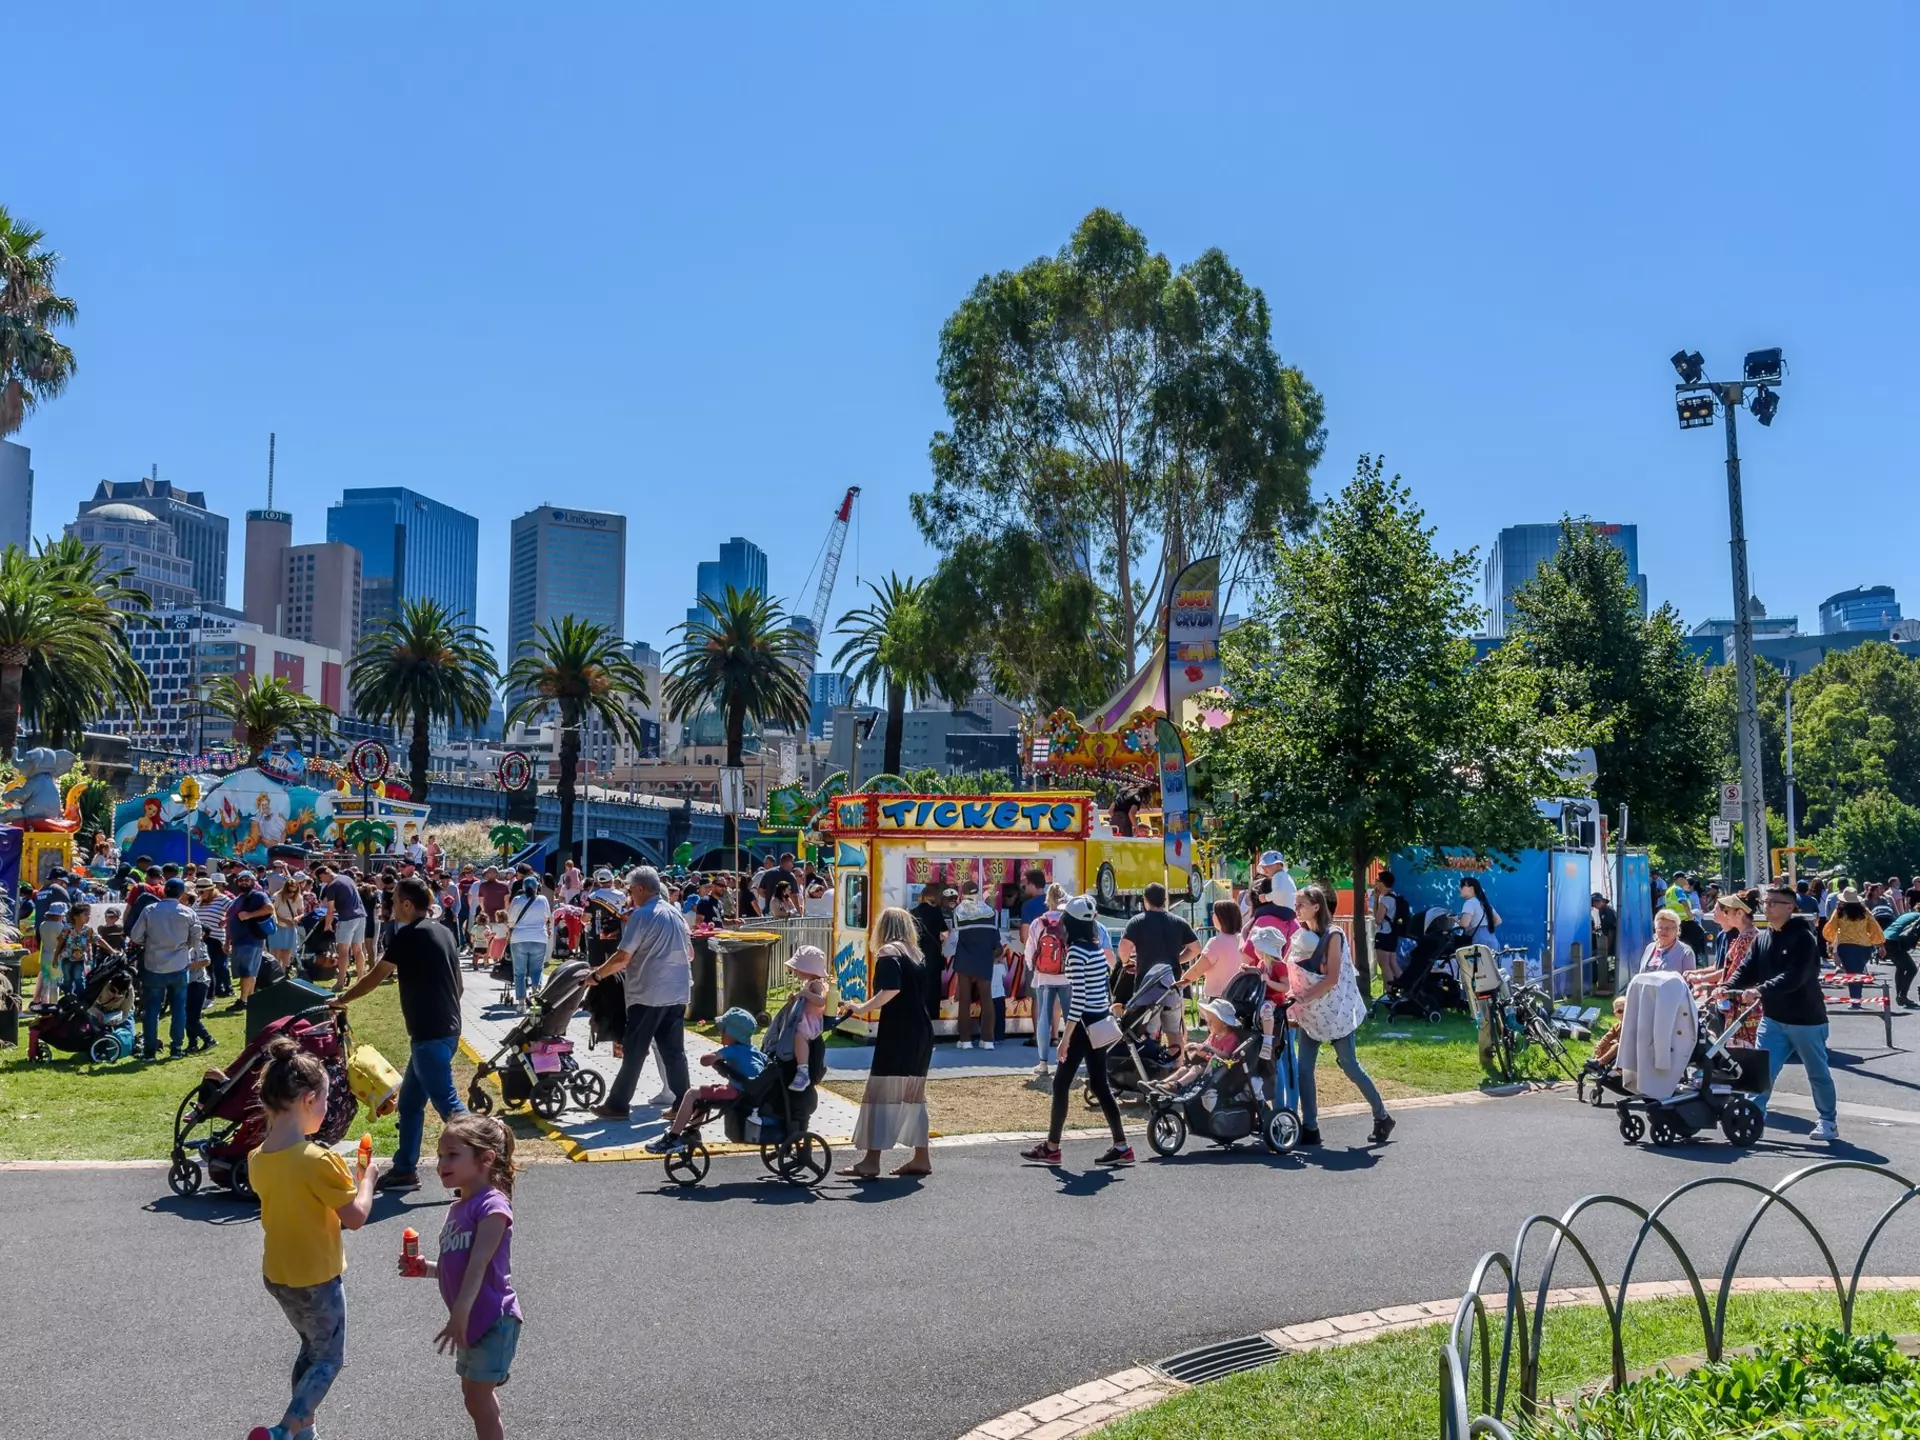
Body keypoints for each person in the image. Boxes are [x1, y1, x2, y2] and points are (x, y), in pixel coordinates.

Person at [244, 1036, 381, 1440]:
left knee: (310, 1348)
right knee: (329, 1359)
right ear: (307, 1099)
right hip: (316, 1279)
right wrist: (367, 1180)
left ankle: (306, 1429)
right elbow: (354, 1218)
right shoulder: (319, 1160)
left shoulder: (257, 1158)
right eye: (324, 1099)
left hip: (279, 1276)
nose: (326, 1108)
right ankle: (284, 1429)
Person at [330, 877, 467, 1191]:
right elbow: (458, 985)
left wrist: (341, 1000)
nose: (389, 907)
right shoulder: (444, 932)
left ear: (407, 904)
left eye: (393, 901)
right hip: (446, 1030)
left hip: (429, 1034)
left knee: (450, 1107)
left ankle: (484, 1165)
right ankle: (405, 1169)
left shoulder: (408, 936)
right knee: (409, 1104)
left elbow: (376, 976)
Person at [395, 1115, 523, 1440]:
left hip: (493, 1319)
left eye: (452, 1154)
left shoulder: (493, 1208)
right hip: (471, 1319)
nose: (441, 1164)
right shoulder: (459, 1208)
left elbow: (479, 1265)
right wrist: (427, 1268)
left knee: (478, 1400)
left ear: (486, 1158)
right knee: (474, 1397)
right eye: (439, 1155)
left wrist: (459, 1314)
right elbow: (460, 1267)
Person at [1021, 894, 1131, 1167]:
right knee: (1099, 1085)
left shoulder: (1075, 954)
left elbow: (1077, 1000)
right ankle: (1122, 1146)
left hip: (1082, 1026)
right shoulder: (1095, 949)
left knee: (1061, 1084)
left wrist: (1065, 1039)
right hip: (1098, 1022)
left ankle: (1052, 1147)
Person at [1722, 884, 1838, 1141]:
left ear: (1790, 907)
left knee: (1817, 1073)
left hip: (1806, 1020)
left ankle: (1828, 1121)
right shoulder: (1762, 937)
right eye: (1766, 902)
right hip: (1773, 1019)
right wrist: (1727, 987)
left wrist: (1760, 990)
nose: (1768, 906)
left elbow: (1796, 976)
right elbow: (1746, 968)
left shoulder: (1803, 938)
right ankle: (1753, 1113)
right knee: (1762, 1071)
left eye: (1774, 902)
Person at [1288, 884, 1394, 1147]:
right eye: (1296, 904)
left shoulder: (1334, 935)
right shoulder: (1303, 935)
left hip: (1336, 1011)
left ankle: (1382, 1116)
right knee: (1304, 1070)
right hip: (1312, 1013)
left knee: (1349, 1065)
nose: (1297, 908)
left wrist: (1302, 997)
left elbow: (1333, 978)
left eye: (1301, 904)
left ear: (1316, 906)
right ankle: (1310, 1126)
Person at [587, 867, 694, 1122]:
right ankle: (685, 1103)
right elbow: (690, 953)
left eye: (630, 889)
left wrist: (597, 975)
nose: (629, 894)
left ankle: (618, 1104)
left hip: (649, 994)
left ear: (641, 889)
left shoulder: (642, 915)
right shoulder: (675, 913)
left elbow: (623, 956)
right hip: (678, 991)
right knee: (674, 1051)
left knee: (635, 1049)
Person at [839, 906, 936, 1179]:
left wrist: (861, 1008)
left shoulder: (888, 953)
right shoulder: (916, 954)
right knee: (914, 1096)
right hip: (922, 1030)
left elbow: (891, 990)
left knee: (880, 1093)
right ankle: (921, 1157)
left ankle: (871, 1161)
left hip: (899, 1031)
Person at [648, 1006, 767, 1153]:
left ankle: (673, 1137)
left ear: (732, 1034)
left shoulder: (733, 1050)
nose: (720, 1032)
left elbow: (705, 1060)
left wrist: (714, 1056)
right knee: (704, 1096)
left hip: (737, 1093)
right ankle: (692, 1132)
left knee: (692, 1093)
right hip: (749, 1094)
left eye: (722, 1029)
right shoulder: (755, 1052)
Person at [129, 876, 203, 1060]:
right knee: (179, 1008)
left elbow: (135, 936)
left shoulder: (149, 910)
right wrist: (185, 947)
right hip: (179, 966)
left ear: (164, 891)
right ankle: (176, 1048)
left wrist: (151, 942)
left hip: (153, 965)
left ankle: (150, 1050)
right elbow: (196, 940)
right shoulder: (188, 913)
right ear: (181, 893)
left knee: (152, 1008)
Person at [1119, 882, 1200, 1051]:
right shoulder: (1179, 922)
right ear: (1165, 900)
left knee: (1149, 1031)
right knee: (1173, 1032)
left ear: (1145, 900)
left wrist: (1127, 962)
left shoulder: (1137, 922)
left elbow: (1124, 947)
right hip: (1172, 984)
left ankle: (1152, 1067)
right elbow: (1196, 948)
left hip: (1146, 988)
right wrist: (1178, 959)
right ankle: (1176, 1067)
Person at [1025, 882, 1072, 1081]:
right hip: (1067, 976)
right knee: (1071, 1018)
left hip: (1043, 977)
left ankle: (1043, 1063)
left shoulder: (1038, 923)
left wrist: (1032, 967)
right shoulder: (1069, 922)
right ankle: (1070, 1059)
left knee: (1043, 1019)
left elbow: (1030, 950)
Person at [949, 882, 999, 1049]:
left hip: (964, 960)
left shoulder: (958, 911)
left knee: (965, 1000)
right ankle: (988, 1041)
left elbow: (955, 936)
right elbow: (995, 940)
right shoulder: (991, 912)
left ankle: (965, 1041)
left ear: (962, 893)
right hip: (984, 959)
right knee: (987, 999)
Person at [1823, 887, 1885, 1008]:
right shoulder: (1864, 911)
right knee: (1858, 972)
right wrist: (1879, 943)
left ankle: (1855, 1000)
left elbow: (1830, 927)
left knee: (1851, 973)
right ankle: (1856, 999)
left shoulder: (1839, 912)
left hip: (1846, 947)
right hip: (1864, 947)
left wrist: (1831, 940)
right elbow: (1875, 928)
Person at [782, 945, 831, 1090]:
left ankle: (803, 1071)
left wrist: (804, 994)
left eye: (798, 968)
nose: (795, 970)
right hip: (805, 1018)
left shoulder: (816, 984)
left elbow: (821, 1001)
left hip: (810, 1022)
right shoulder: (808, 983)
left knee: (799, 1036)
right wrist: (796, 997)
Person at [312, 863, 366, 991]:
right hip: (361, 916)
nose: (321, 882)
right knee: (358, 950)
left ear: (323, 875)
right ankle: (361, 980)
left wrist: (327, 925)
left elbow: (330, 910)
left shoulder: (332, 886)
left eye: (320, 879)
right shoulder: (347, 878)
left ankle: (340, 983)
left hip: (347, 919)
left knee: (343, 952)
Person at [1183, 899, 1248, 1001]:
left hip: (1218, 1000)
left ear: (1220, 917)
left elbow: (1197, 970)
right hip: (1240, 998)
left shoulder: (1216, 942)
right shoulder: (1243, 940)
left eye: (1214, 913)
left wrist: (1180, 982)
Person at [505, 876, 552, 1009]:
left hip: (519, 938)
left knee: (519, 972)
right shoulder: (542, 900)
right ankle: (535, 994)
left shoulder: (517, 900)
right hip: (538, 938)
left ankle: (521, 1002)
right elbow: (547, 916)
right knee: (537, 969)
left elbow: (511, 920)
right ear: (538, 887)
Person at [1369, 870, 1409, 991]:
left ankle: (1390, 992)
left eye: (1377, 881)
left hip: (1384, 935)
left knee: (1384, 965)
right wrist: (1376, 898)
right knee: (1393, 963)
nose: (1376, 884)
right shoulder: (1395, 896)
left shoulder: (1386, 900)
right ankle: (1407, 988)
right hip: (1393, 935)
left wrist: (1377, 900)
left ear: (1382, 883)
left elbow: (1378, 920)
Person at [194, 876, 233, 998]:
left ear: (210, 890)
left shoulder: (222, 899)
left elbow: (234, 912)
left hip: (217, 937)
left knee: (221, 965)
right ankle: (213, 990)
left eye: (202, 891)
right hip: (202, 938)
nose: (199, 894)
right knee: (208, 966)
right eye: (198, 891)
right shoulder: (198, 901)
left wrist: (225, 919)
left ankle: (227, 988)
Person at [1883, 890, 1920, 1008]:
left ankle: (1900, 995)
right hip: (1895, 942)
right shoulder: (1918, 918)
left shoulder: (1908, 914)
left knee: (1901, 967)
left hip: (1885, 940)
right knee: (1912, 969)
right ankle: (1902, 995)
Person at [1639, 907, 1696, 973]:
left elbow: (1688, 979)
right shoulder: (1649, 948)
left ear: (1677, 930)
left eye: (1668, 928)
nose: (1664, 931)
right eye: (1660, 928)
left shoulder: (1685, 952)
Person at [1458, 876, 1498, 949]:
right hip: (1492, 938)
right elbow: (1498, 921)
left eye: (1462, 886)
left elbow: (1464, 924)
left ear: (1471, 888)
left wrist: (1455, 920)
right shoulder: (1485, 903)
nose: (1459, 889)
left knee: (1477, 960)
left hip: (1478, 940)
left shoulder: (1470, 902)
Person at [1590, 892, 1619, 988]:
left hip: (1614, 940)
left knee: (1606, 956)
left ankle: (1608, 978)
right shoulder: (1601, 910)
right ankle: (1606, 977)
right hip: (1608, 938)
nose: (1595, 905)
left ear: (1602, 901)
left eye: (1596, 902)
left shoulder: (1608, 911)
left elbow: (1611, 930)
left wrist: (1607, 945)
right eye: (1593, 903)